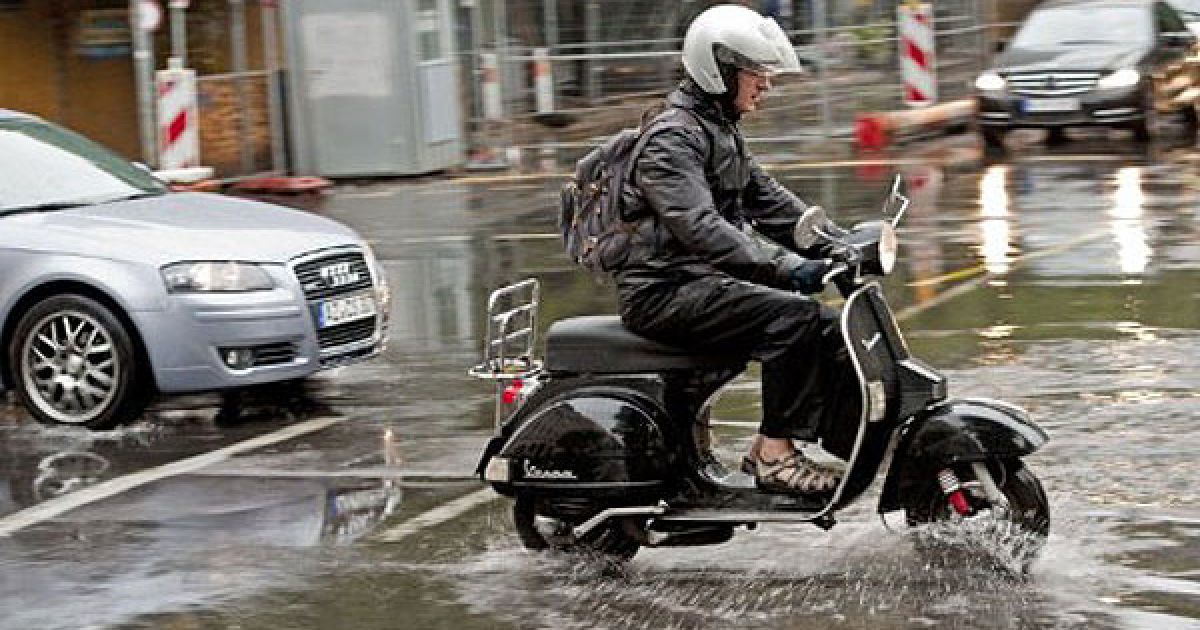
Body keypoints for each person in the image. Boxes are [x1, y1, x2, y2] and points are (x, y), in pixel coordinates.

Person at [612, 4, 857, 496]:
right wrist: (789, 269)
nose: (766, 83)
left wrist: (843, 245)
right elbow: (700, 227)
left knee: (830, 325)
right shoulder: (671, 140)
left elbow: (770, 202)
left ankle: (847, 441)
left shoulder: (717, 129)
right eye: (756, 72)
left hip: (698, 283)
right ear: (720, 70)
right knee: (797, 318)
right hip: (664, 291)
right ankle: (772, 456)